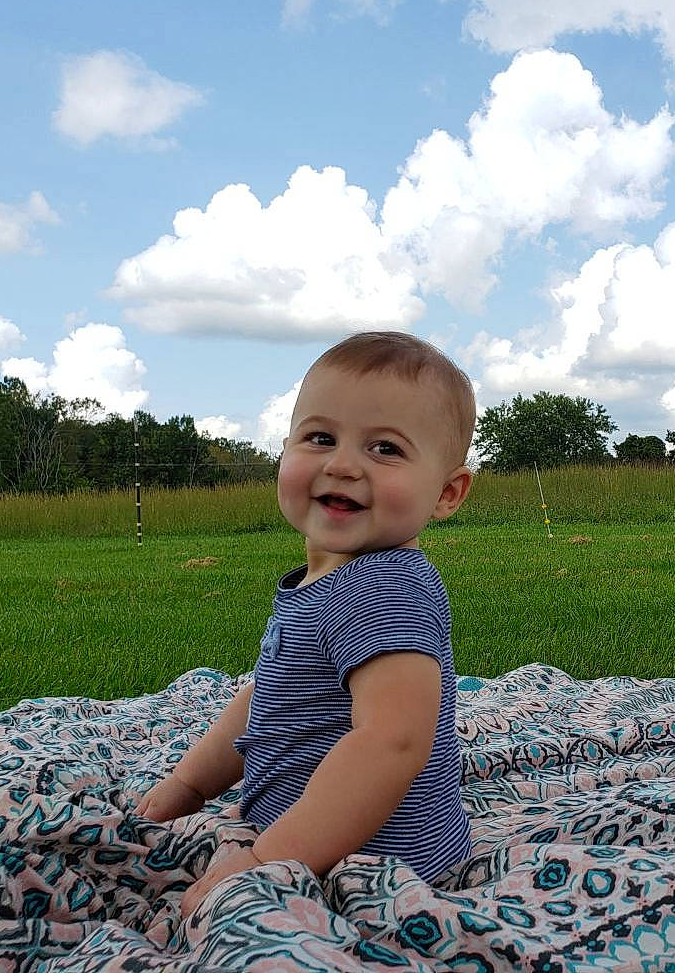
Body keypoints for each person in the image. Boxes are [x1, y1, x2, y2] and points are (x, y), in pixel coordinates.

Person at [136, 331, 476, 916]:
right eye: (321, 438)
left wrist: (268, 862)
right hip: (303, 837)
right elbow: (268, 695)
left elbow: (391, 742)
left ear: (447, 492)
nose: (343, 465)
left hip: (371, 865)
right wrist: (188, 785)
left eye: (386, 450)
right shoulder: (328, 582)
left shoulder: (383, 590)